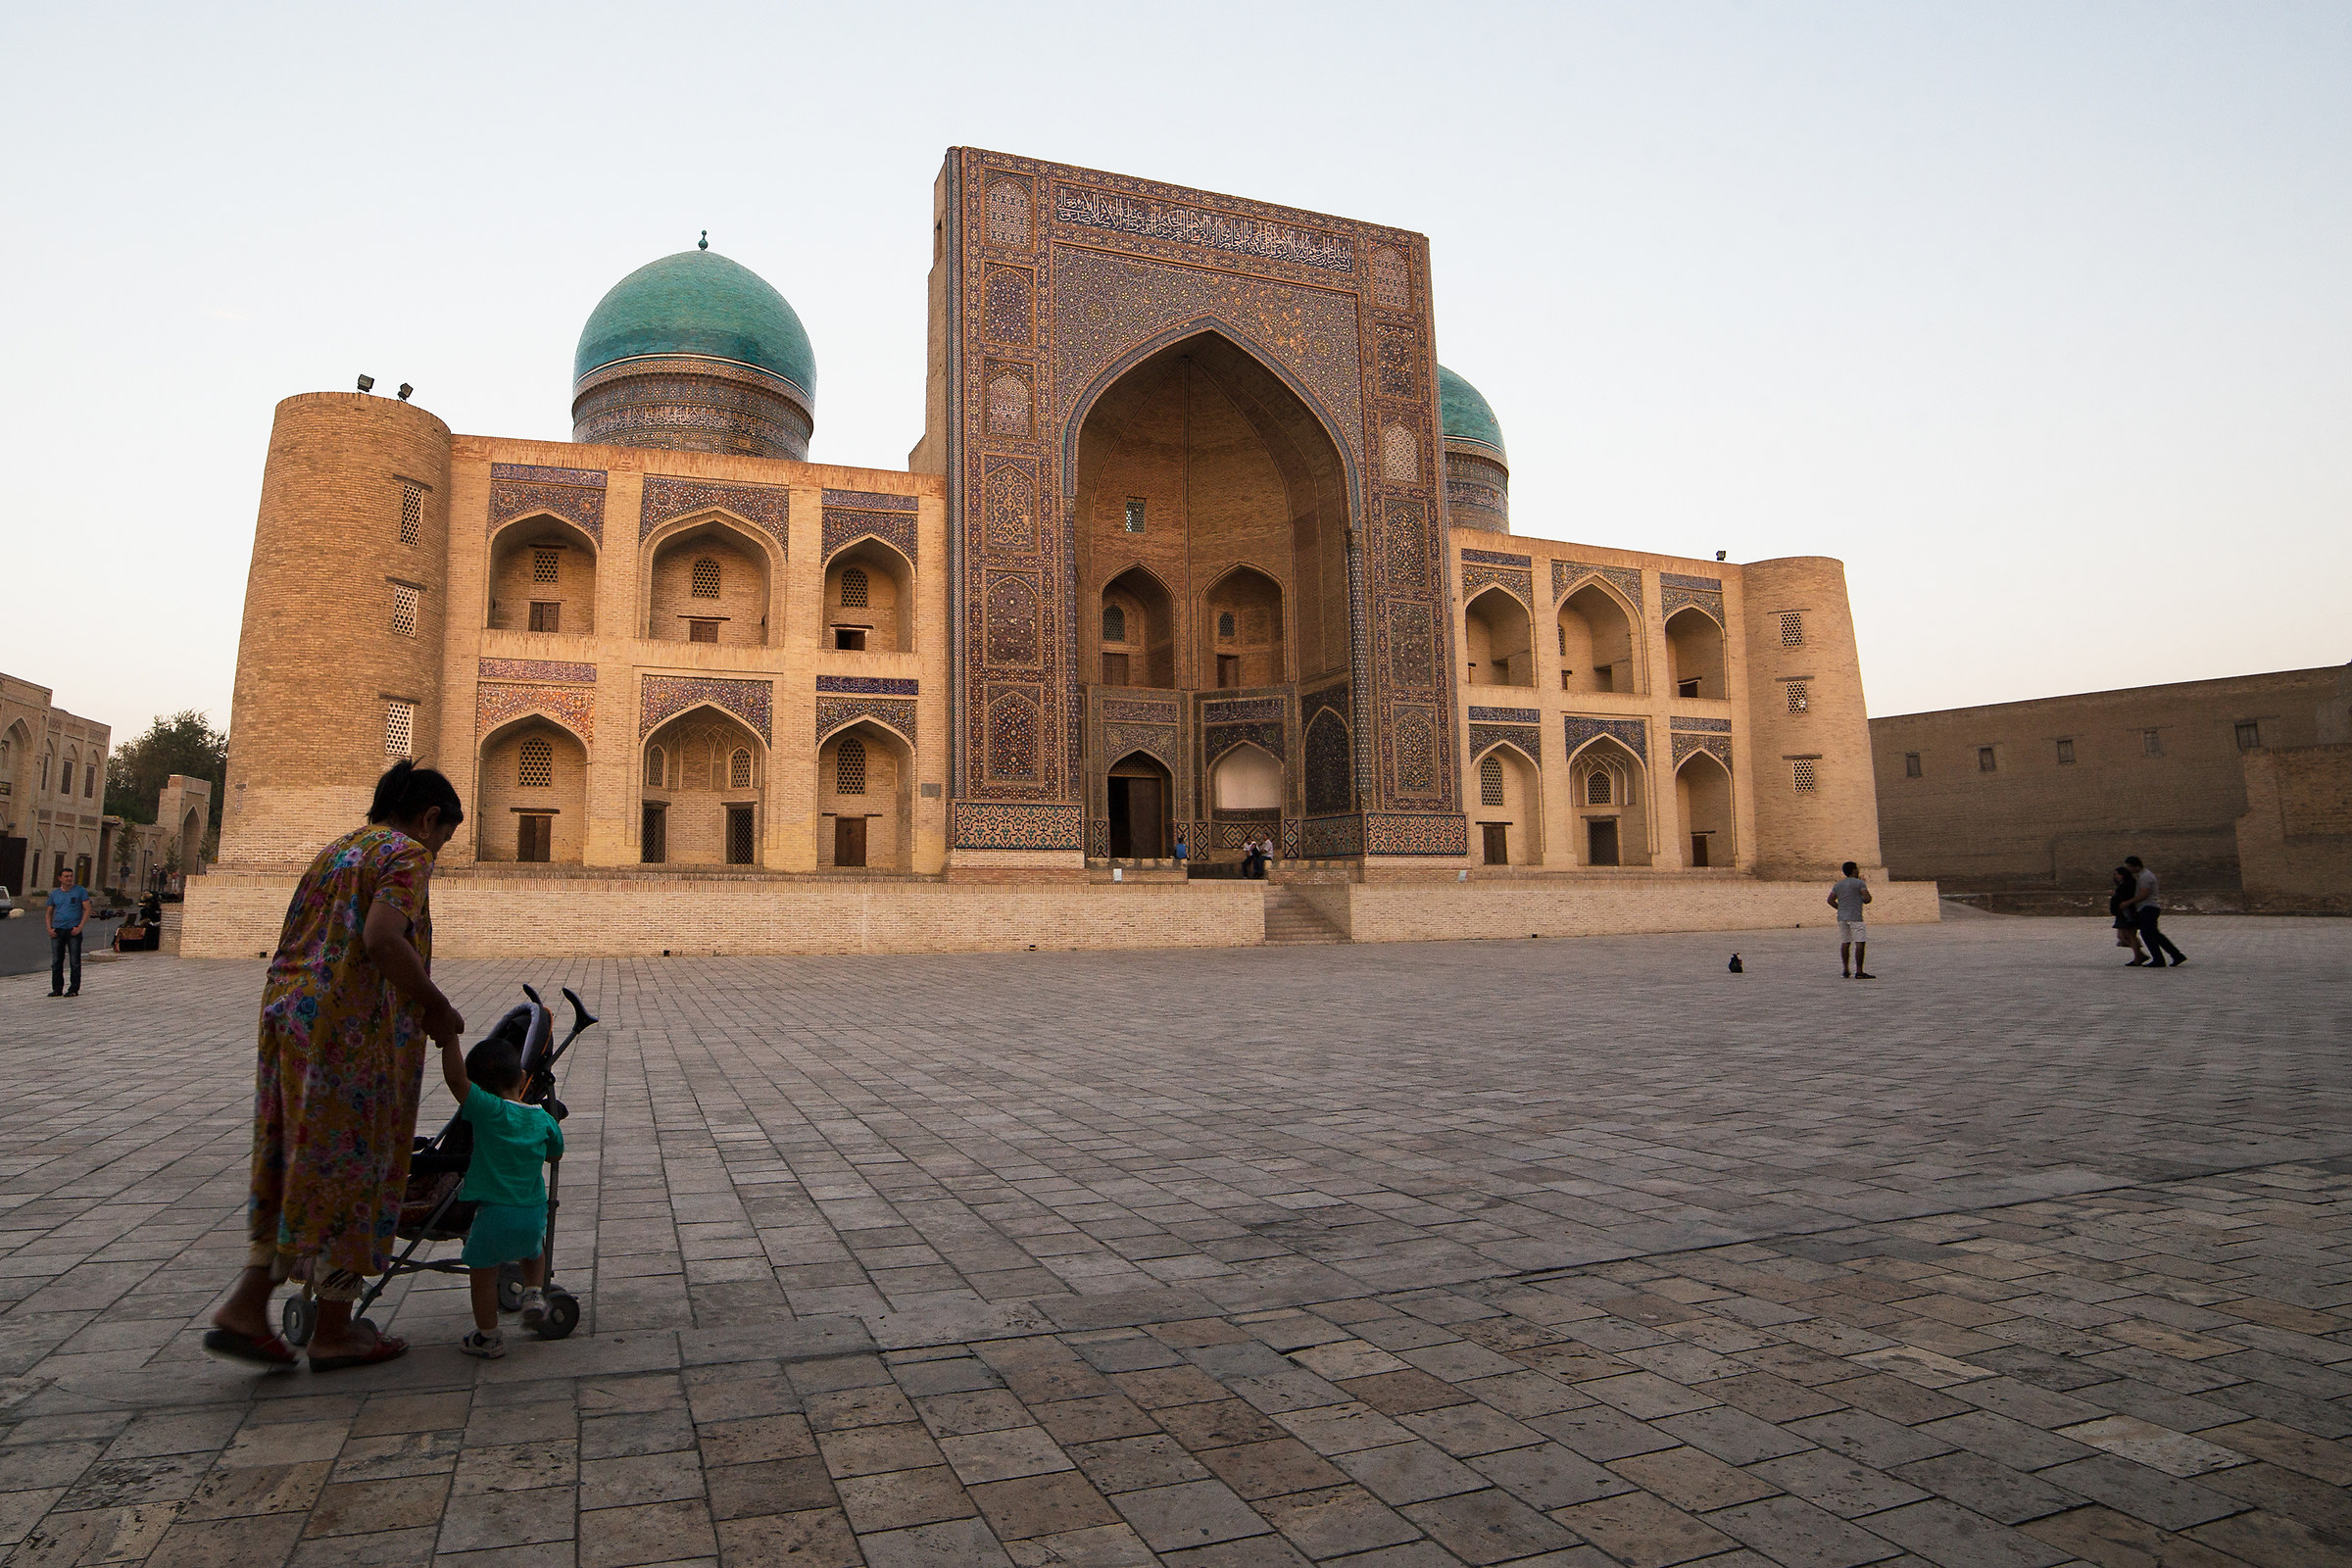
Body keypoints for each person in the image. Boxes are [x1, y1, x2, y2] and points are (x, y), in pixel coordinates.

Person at [202, 760, 467, 1372]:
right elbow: (380, 938)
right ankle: (333, 1330)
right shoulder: (404, 853)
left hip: (288, 1016)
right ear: (429, 818)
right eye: (443, 836)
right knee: (355, 1163)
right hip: (349, 1029)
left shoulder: (339, 850)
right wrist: (435, 1004)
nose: (438, 850)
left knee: (294, 1157)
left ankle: (247, 1306)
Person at [438, 1030, 564, 1359]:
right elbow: (555, 1153)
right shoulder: (543, 1118)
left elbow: (455, 1081)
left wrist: (448, 1038)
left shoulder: (488, 1110)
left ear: (479, 1087)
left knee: (483, 1275)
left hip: (493, 1214)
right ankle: (535, 1293)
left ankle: (489, 1336)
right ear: (522, 1077)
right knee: (534, 1251)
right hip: (532, 1210)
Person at [2124, 856, 2186, 968]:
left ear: (2136, 866)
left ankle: (2159, 959)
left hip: (2148, 908)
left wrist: (2128, 902)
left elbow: (2144, 894)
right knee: (2155, 935)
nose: (2129, 870)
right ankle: (2176, 955)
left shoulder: (2145, 877)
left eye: (2129, 867)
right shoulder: (2142, 876)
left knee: (2147, 934)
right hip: (2148, 908)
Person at [46, 866, 91, 997]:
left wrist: (80, 927)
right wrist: (49, 928)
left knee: (74, 961)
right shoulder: (55, 894)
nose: (69, 879)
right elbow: (49, 912)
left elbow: (87, 909)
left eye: (71, 876)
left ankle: (73, 989)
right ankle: (57, 988)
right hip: (58, 930)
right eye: (66, 876)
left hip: (73, 931)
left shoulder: (80, 891)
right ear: (60, 878)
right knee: (56, 961)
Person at [1826, 860, 1874, 978]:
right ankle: (1859, 971)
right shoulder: (1859, 883)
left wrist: (1840, 908)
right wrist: (1861, 898)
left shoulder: (1838, 885)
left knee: (1846, 942)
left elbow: (1830, 900)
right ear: (1853, 870)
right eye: (1857, 869)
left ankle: (1846, 969)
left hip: (1842, 917)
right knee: (1860, 942)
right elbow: (1867, 898)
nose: (1858, 871)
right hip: (1855, 917)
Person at [2110, 866, 2148, 964]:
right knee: (2122, 936)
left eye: (2117, 874)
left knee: (2129, 936)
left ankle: (2138, 957)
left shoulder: (2128, 885)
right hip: (2122, 913)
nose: (2116, 876)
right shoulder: (2123, 885)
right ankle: (2140, 955)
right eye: (2115, 874)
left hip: (2127, 913)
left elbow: (2127, 898)